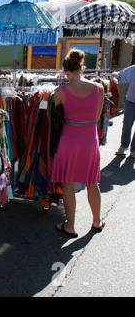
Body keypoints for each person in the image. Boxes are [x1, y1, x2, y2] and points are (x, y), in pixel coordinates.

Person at [51, 49, 105, 238]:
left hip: (68, 142)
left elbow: (56, 121)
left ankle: (70, 226)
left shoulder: (60, 92)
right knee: (92, 182)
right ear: (82, 68)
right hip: (90, 141)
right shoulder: (99, 88)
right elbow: (97, 118)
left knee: (68, 185)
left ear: (66, 71)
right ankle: (97, 221)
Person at [112, 65, 135, 158]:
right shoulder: (133, 69)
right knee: (127, 124)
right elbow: (120, 76)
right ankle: (124, 145)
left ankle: (134, 149)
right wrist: (114, 75)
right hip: (131, 101)